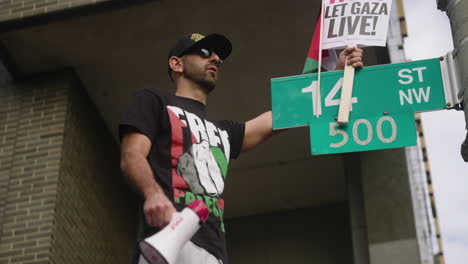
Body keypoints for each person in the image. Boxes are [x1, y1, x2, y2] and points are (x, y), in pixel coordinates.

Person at [119, 33, 363, 264]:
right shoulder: (155, 100)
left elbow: (282, 115)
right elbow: (132, 155)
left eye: (219, 58)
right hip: (168, 240)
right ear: (177, 64)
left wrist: (336, 75)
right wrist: (153, 193)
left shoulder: (225, 132)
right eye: (204, 52)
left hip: (214, 254)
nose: (215, 59)